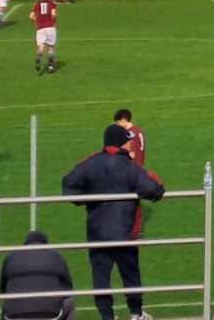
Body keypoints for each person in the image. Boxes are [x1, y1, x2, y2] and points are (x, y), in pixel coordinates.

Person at [62, 124, 166, 320]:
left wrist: (87, 200)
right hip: (123, 232)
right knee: (130, 274)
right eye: (128, 141)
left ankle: (107, 317)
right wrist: (158, 184)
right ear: (120, 143)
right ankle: (136, 314)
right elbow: (153, 190)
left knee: (101, 278)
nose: (130, 145)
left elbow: (68, 185)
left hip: (97, 232)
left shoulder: (91, 163)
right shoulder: (129, 167)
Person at [0, 231, 74, 320]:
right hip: (50, 314)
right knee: (70, 301)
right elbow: (68, 289)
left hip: (13, 315)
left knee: (5, 303)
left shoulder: (10, 257)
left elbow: (3, 288)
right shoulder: (56, 255)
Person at [114, 108, 149, 237]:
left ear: (123, 120)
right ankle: (135, 229)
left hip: (131, 170)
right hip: (139, 168)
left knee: (130, 200)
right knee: (134, 199)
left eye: (118, 122)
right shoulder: (139, 132)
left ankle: (133, 230)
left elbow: (131, 154)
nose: (117, 126)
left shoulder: (129, 135)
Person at [29, 0, 58, 74]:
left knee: (41, 47)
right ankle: (50, 66)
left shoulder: (37, 4)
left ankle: (39, 56)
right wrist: (54, 21)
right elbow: (53, 15)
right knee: (51, 47)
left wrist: (37, 21)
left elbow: (31, 16)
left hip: (40, 28)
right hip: (50, 27)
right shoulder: (52, 4)